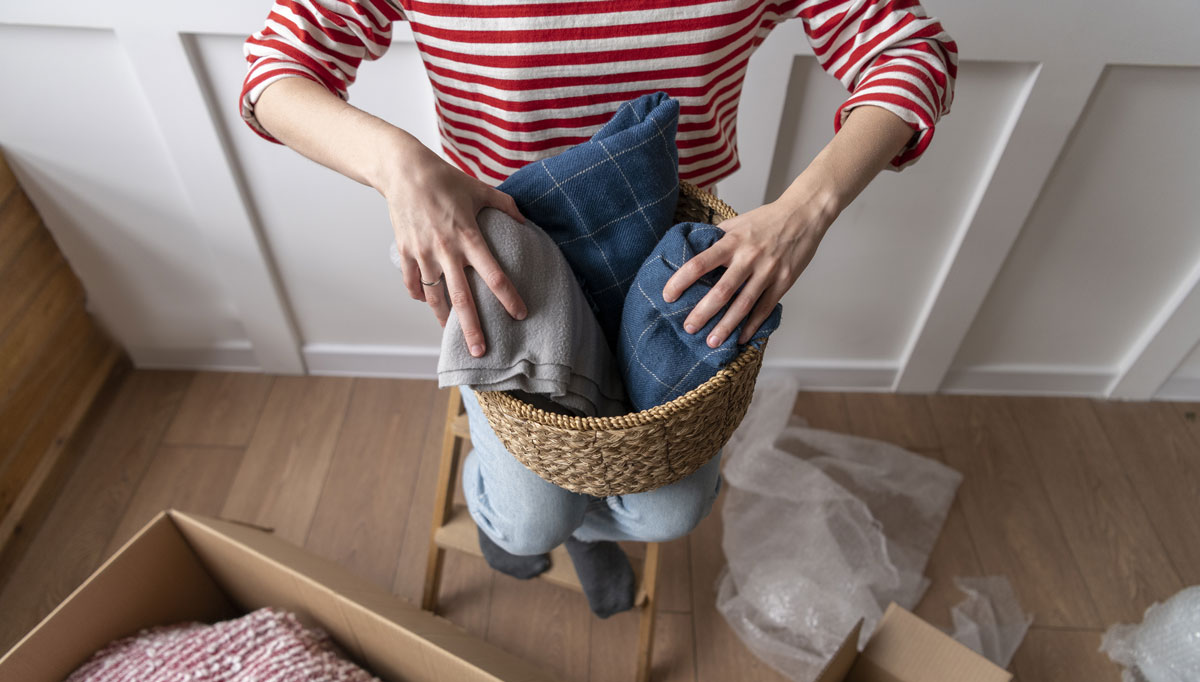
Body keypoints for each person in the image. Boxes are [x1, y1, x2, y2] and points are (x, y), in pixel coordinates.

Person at [240, 0, 957, 617]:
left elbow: (913, 50)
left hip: (666, 257)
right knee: (528, 524)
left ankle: (577, 523)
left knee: (670, 511)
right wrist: (397, 164)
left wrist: (806, 213)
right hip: (509, 253)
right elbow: (275, 71)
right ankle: (543, 520)